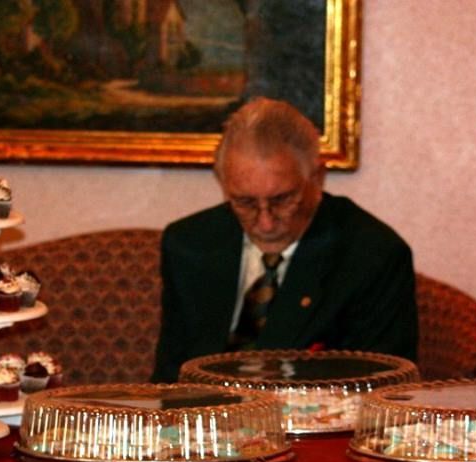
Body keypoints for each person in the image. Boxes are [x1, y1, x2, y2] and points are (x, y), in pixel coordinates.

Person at [152, 97, 418, 383]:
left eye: (282, 200)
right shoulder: (188, 244)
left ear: (317, 178)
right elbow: (170, 378)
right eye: (244, 202)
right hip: (203, 421)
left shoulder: (372, 256)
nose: (265, 222)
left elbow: (383, 389)